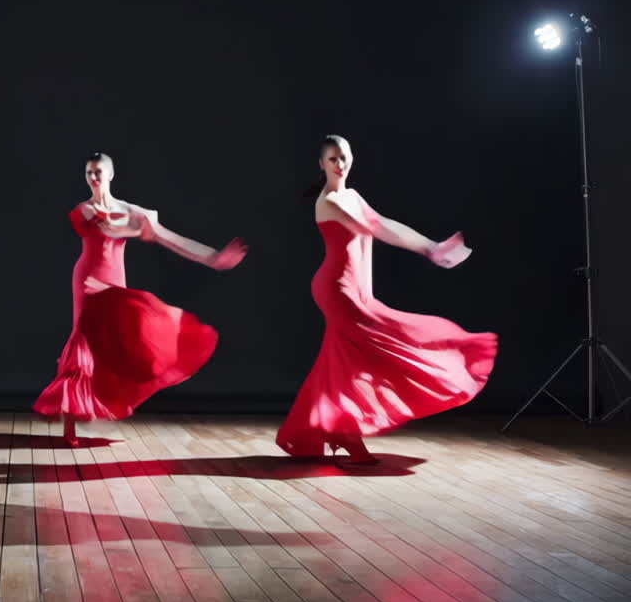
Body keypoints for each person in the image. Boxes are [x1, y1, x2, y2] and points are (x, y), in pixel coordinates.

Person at [276, 135, 497, 465]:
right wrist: (429, 249)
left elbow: (382, 222)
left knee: (341, 360)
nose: (340, 164)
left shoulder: (351, 195)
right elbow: (378, 230)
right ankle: (341, 432)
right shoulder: (328, 201)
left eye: (345, 157)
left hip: (357, 287)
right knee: (363, 351)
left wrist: (430, 245)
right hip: (339, 289)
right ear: (321, 164)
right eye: (333, 159)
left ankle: (331, 429)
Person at [34, 152, 247, 445]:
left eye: (98, 172)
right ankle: (70, 424)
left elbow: (169, 238)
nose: (93, 178)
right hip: (87, 281)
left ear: (110, 174)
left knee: (122, 338)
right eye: (89, 173)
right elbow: (107, 227)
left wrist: (212, 258)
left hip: (114, 278)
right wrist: (138, 227)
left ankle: (101, 406)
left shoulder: (129, 210)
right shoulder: (84, 209)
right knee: (83, 342)